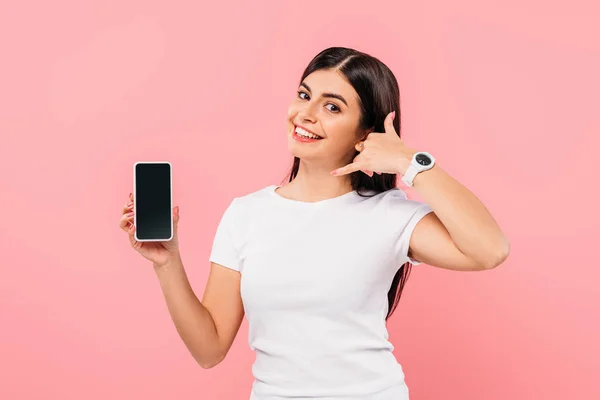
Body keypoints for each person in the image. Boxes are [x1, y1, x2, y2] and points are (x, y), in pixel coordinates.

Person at [119, 47, 510, 399]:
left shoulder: (390, 214)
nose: (305, 114)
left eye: (332, 107)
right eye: (305, 95)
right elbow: (209, 350)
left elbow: (490, 250)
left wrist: (412, 163)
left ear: (366, 133)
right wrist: (167, 262)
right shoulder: (246, 213)